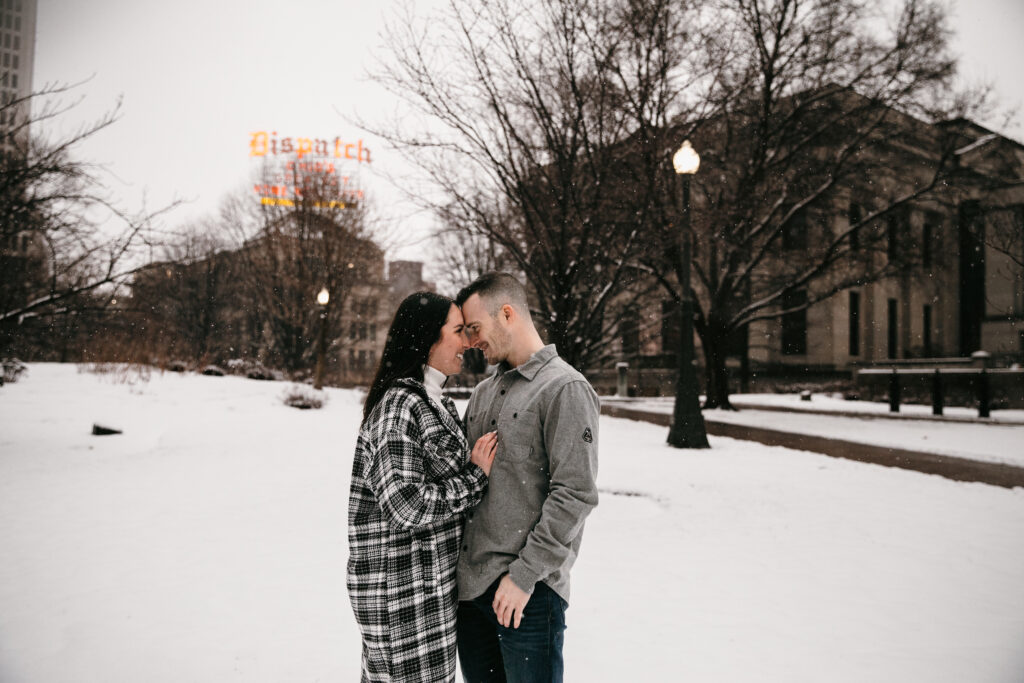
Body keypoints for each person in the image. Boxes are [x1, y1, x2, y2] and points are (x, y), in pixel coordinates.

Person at [454, 273, 599, 683]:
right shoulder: (483, 394)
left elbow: (575, 494)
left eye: (476, 329)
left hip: (529, 595)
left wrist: (522, 577)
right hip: (472, 593)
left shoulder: (565, 388)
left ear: (507, 314)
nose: (471, 342)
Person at [347, 291, 498, 683]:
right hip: (402, 595)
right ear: (428, 337)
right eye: (458, 331)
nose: (467, 342)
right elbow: (405, 504)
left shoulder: (435, 404)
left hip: (430, 590)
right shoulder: (400, 405)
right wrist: (475, 478)